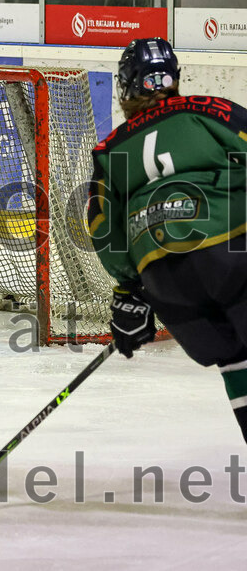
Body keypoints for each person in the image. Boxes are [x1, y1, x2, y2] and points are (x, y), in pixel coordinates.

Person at [88, 36, 247, 444]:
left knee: (233, 359)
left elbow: (102, 225)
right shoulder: (211, 111)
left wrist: (128, 291)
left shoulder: (110, 148)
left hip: (165, 283)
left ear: (126, 87)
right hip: (231, 254)